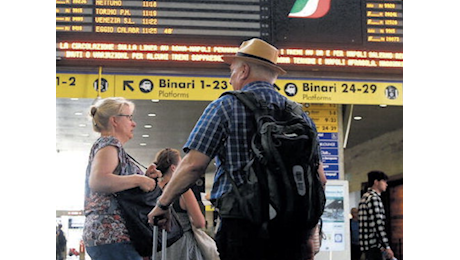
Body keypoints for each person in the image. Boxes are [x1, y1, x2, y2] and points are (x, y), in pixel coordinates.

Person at [147, 38, 325, 260]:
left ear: (244, 70)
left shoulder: (226, 106)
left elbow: (193, 165)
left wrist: (162, 204)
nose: (230, 79)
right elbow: (319, 178)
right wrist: (310, 232)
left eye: (231, 71)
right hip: (293, 229)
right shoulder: (300, 116)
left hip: (242, 227)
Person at [83, 97, 162, 260]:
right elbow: (99, 181)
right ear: (115, 121)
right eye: (129, 117)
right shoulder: (109, 144)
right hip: (113, 234)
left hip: (108, 236)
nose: (134, 124)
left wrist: (145, 178)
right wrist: (139, 180)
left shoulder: (108, 146)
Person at [152, 148, 206, 260]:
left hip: (158, 245)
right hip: (182, 245)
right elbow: (199, 222)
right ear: (173, 168)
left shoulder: (153, 189)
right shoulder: (183, 190)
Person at [358, 171, 394, 260]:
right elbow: (378, 224)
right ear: (376, 182)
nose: (386, 184)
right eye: (384, 181)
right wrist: (387, 246)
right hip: (374, 246)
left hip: (366, 246)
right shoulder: (374, 198)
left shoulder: (364, 197)